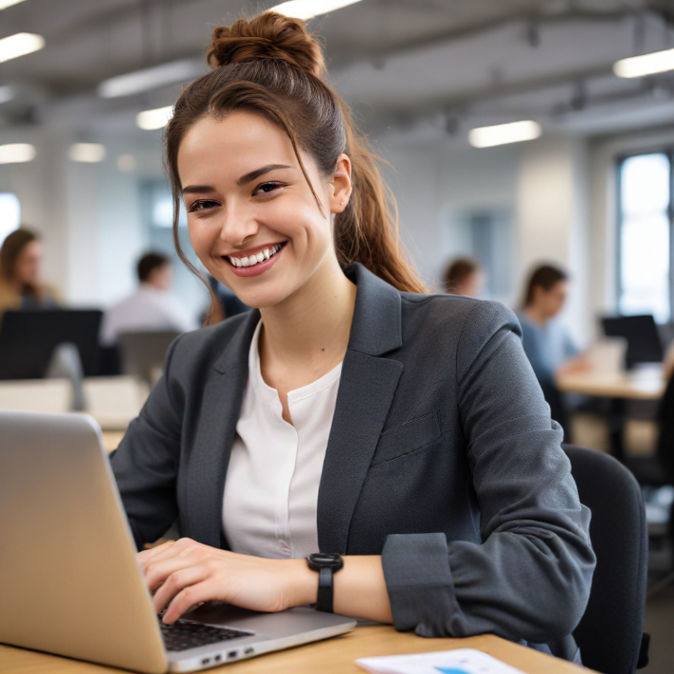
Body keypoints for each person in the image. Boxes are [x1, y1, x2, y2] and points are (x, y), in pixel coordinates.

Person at [110, 11, 594, 663]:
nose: (234, 228)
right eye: (204, 204)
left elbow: (551, 570)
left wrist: (298, 580)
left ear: (336, 185)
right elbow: (93, 535)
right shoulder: (197, 364)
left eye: (266, 187)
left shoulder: (464, 342)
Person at [516, 264, 590, 434]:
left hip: (556, 400)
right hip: (533, 410)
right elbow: (538, 373)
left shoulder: (557, 327)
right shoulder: (519, 326)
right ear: (539, 293)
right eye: (559, 297)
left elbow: (578, 355)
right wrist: (569, 367)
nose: (564, 304)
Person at [100, 251, 198, 346]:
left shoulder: (116, 307)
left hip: (125, 362)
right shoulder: (167, 303)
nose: (171, 280)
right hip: (166, 361)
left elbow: (106, 341)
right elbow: (193, 336)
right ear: (155, 275)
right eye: (168, 275)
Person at [0, 228, 58, 319]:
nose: (36, 268)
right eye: (29, 261)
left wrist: (42, 298)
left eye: (38, 260)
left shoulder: (45, 296)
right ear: (11, 262)